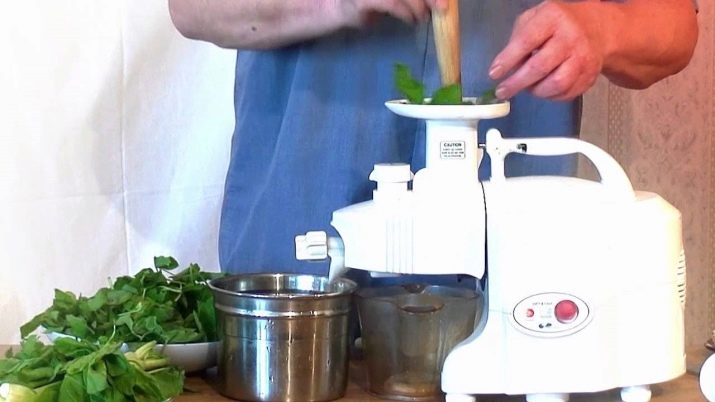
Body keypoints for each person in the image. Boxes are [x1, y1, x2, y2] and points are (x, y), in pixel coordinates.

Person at [167, 0, 698, 281]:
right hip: (302, 273)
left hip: (511, 275)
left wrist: (603, 28)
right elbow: (191, 7)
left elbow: (674, 26)